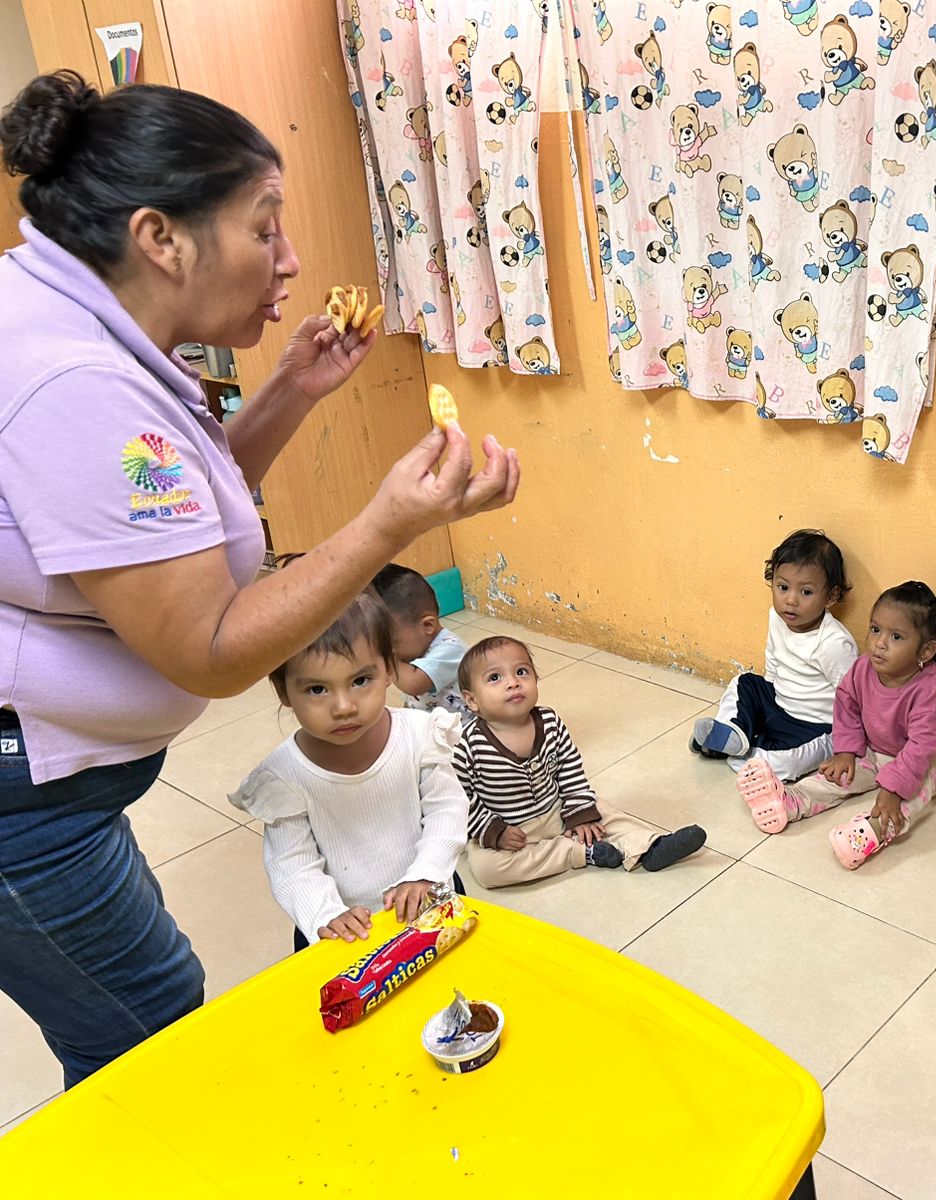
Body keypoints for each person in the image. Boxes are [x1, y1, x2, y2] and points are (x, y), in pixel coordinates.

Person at [0, 71, 517, 1085]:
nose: (290, 261)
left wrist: (289, 390)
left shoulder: (66, 320)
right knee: (147, 1042)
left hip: (58, 782)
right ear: (162, 238)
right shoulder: (75, 384)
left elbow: (165, 519)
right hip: (25, 796)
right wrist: (388, 523)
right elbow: (208, 648)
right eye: (265, 226)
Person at [229, 591, 468, 950]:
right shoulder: (284, 777)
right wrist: (325, 914)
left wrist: (427, 873)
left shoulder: (419, 735)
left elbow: (447, 809)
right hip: (345, 930)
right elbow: (291, 864)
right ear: (283, 691)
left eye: (360, 681)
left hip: (428, 897)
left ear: (389, 670)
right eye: (317, 689)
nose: (343, 707)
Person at [735, 581, 936, 869]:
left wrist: (894, 790)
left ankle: (878, 828)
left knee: (921, 783)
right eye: (875, 629)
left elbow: (923, 748)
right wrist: (846, 750)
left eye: (896, 637)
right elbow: (847, 704)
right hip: (880, 749)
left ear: (925, 652)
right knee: (842, 773)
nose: (880, 643)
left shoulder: (930, 690)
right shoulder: (863, 668)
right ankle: (792, 800)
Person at [452, 636, 706, 885]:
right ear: (472, 700)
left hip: (557, 809)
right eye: (495, 678)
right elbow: (459, 797)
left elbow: (570, 768)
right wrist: (494, 831)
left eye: (521, 672)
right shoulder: (468, 745)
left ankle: (649, 846)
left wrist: (579, 811)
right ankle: (579, 852)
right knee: (486, 869)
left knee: (605, 812)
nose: (513, 683)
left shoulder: (549, 721)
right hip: (510, 830)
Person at [689, 529, 856, 782]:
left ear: (831, 596)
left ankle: (749, 751)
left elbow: (853, 697)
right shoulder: (776, 617)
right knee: (743, 683)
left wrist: (848, 747)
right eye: (783, 587)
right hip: (777, 702)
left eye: (806, 592)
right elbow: (773, 659)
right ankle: (733, 731)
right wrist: (763, 701)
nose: (791, 600)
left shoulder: (833, 643)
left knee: (788, 761)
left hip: (813, 724)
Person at [371, 562, 469, 717]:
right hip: (430, 724)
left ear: (428, 625)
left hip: (462, 728)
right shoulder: (411, 653)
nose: (386, 650)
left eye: (390, 643)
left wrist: (387, 657)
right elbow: (412, 699)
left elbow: (414, 685)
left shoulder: (450, 649)